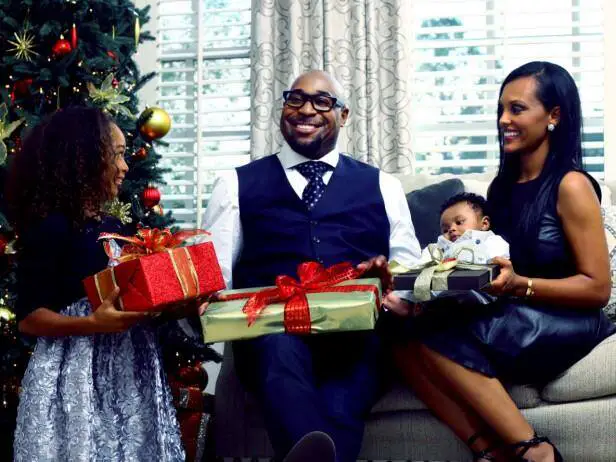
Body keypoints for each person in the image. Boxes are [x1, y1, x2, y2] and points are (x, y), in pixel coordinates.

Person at [389, 61, 616, 462]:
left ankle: (536, 451)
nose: (503, 120)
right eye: (501, 110)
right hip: (516, 312)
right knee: (399, 335)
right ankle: (490, 452)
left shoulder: (572, 185)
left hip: (569, 320)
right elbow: (490, 266)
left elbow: (597, 289)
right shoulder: (503, 188)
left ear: (554, 116)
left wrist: (519, 285)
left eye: (517, 109)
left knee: (435, 334)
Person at [202, 70, 421, 462]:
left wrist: (398, 295)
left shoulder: (383, 185)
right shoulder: (234, 184)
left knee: (340, 406)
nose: (306, 110)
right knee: (278, 351)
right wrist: (204, 301)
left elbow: (407, 267)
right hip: (272, 336)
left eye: (322, 101)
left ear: (344, 115)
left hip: (358, 339)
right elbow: (214, 278)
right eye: (295, 99)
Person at [9, 107, 192, 461]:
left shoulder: (116, 229)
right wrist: (91, 324)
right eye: (118, 155)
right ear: (85, 158)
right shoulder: (52, 228)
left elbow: (132, 296)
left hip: (129, 372)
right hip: (76, 378)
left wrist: (178, 300)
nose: (125, 167)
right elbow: (29, 318)